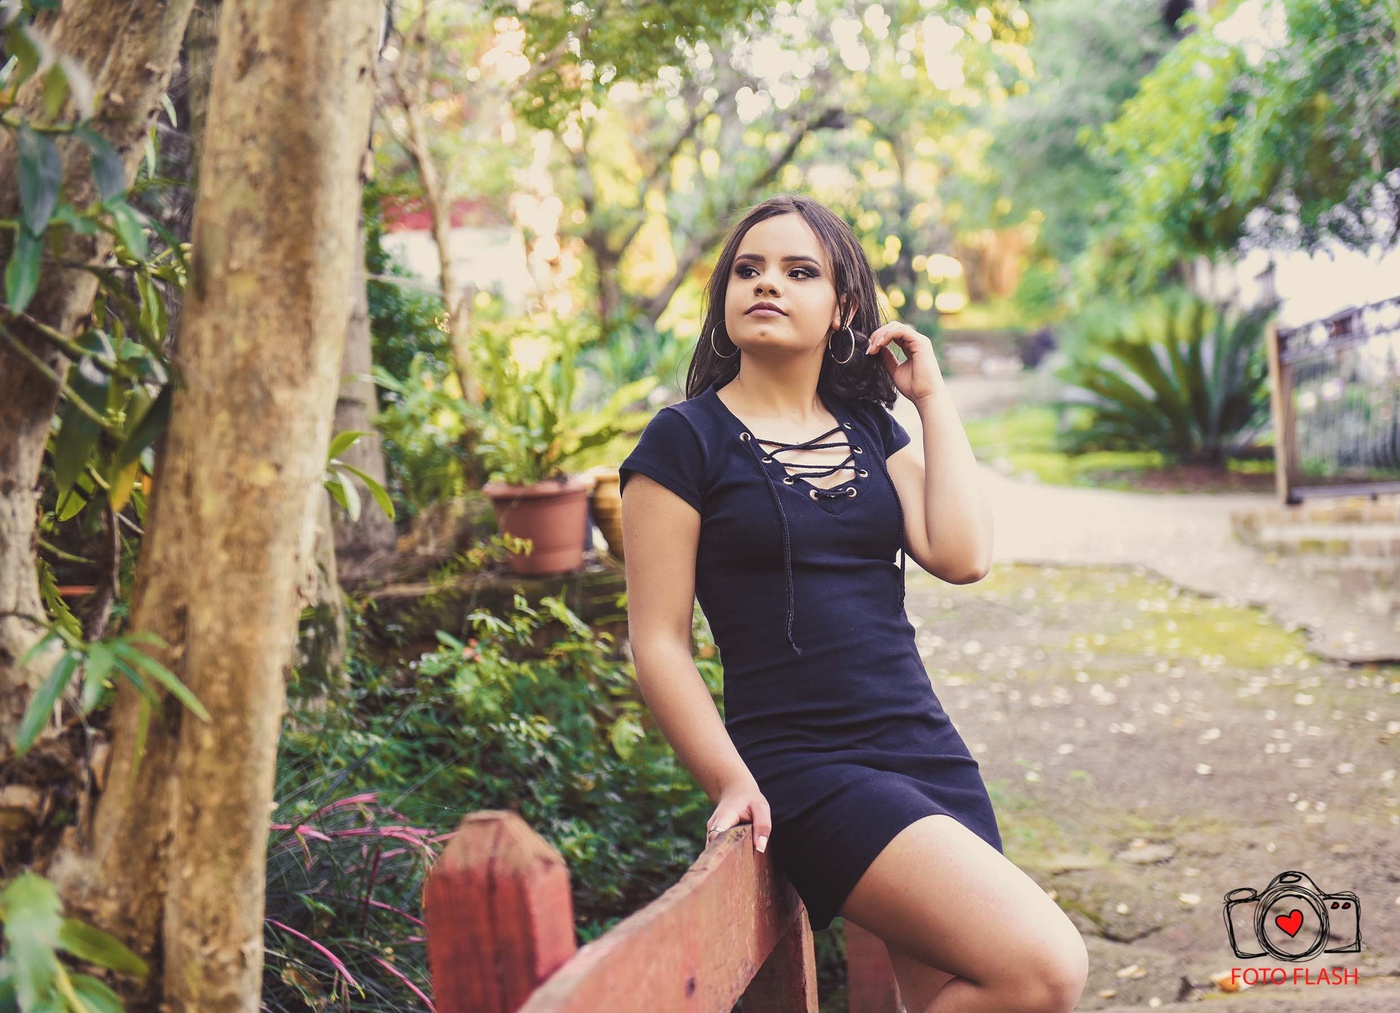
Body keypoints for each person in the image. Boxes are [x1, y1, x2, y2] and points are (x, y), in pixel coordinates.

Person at [618, 193, 1088, 1013]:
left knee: (966, 991)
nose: (768, 283)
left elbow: (963, 554)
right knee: (1044, 967)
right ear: (724, 297)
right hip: (807, 764)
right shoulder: (683, 441)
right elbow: (657, 640)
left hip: (923, 743)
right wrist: (729, 779)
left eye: (799, 271)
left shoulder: (869, 428)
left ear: (842, 309)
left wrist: (930, 399)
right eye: (748, 269)